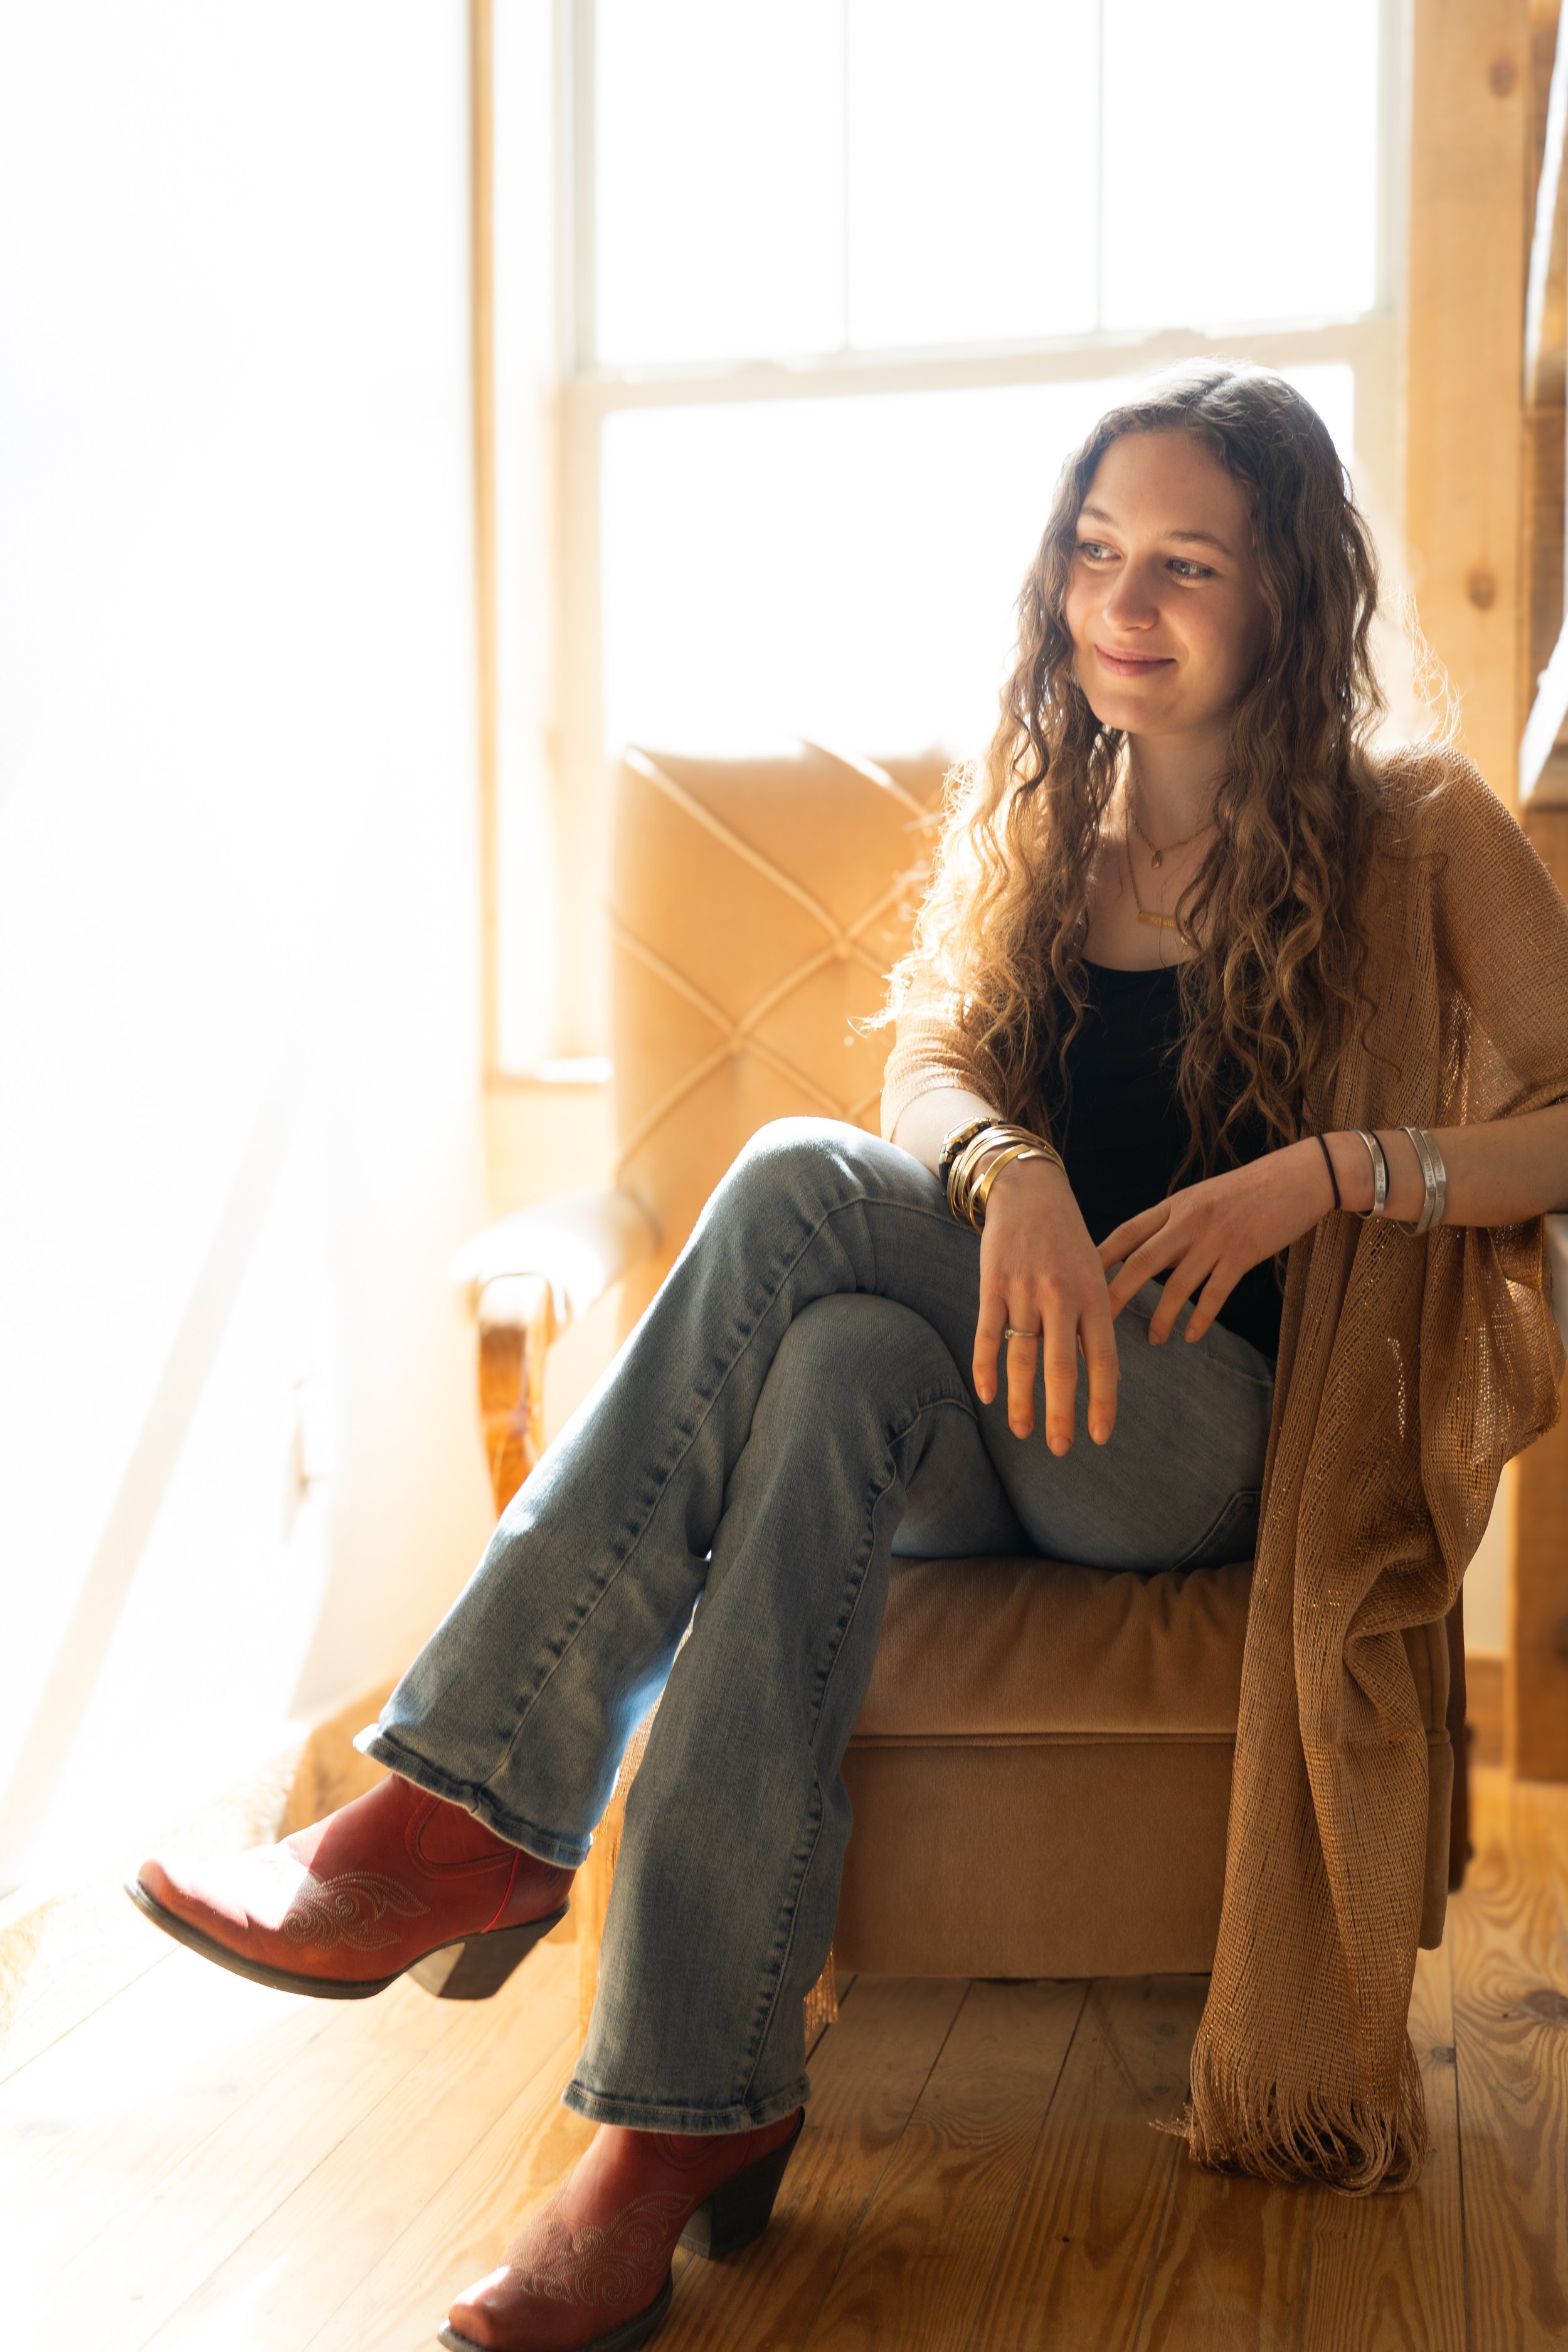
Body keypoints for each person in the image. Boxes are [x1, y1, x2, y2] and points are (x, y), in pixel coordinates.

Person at [130, 364, 1568, 2350]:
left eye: (1182, 566)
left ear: (1289, 597)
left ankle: (465, 1810)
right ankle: (678, 2128)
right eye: (1089, 552)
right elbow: (923, 1060)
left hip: (1205, 1436)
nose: (1117, 604)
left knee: (801, 1187)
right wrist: (1008, 1169)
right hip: (1001, 1412)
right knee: (823, 1378)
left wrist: (1330, 1175)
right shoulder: (1047, 820)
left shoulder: (1412, 832)